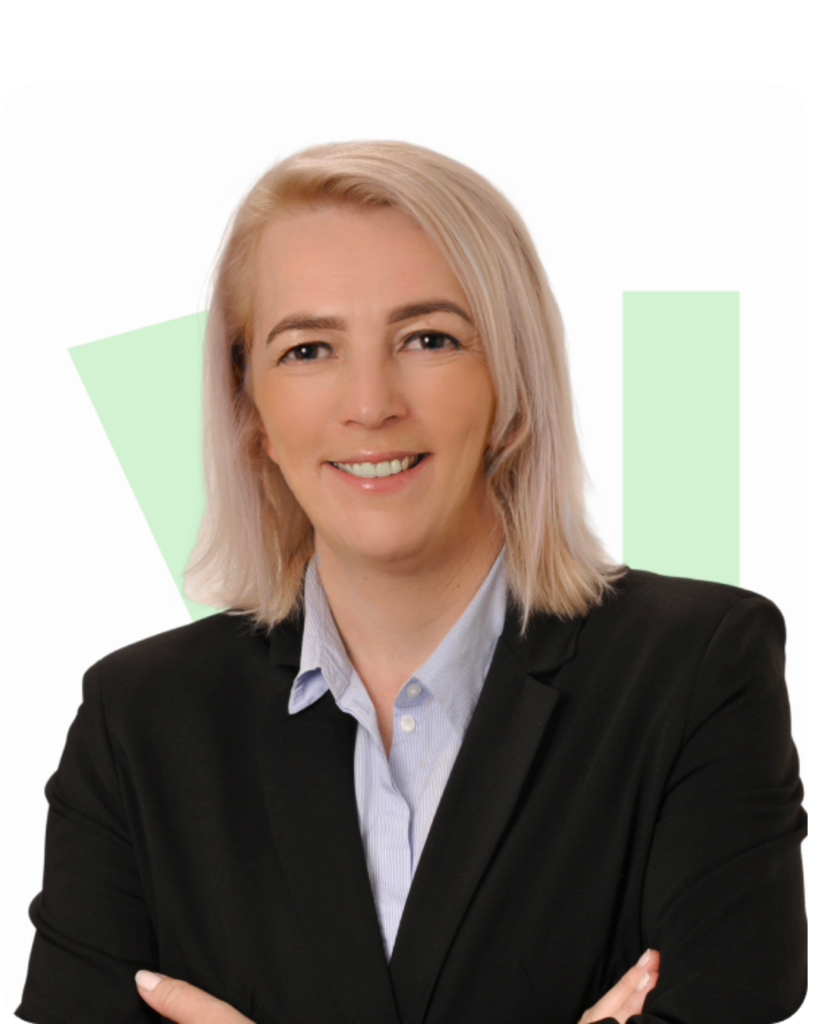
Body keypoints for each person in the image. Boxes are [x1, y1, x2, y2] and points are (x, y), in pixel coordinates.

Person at [16, 141, 806, 1024]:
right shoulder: (140, 719)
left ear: (510, 379)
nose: (370, 403)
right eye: (308, 349)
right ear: (251, 411)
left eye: (428, 339)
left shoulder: (696, 670)